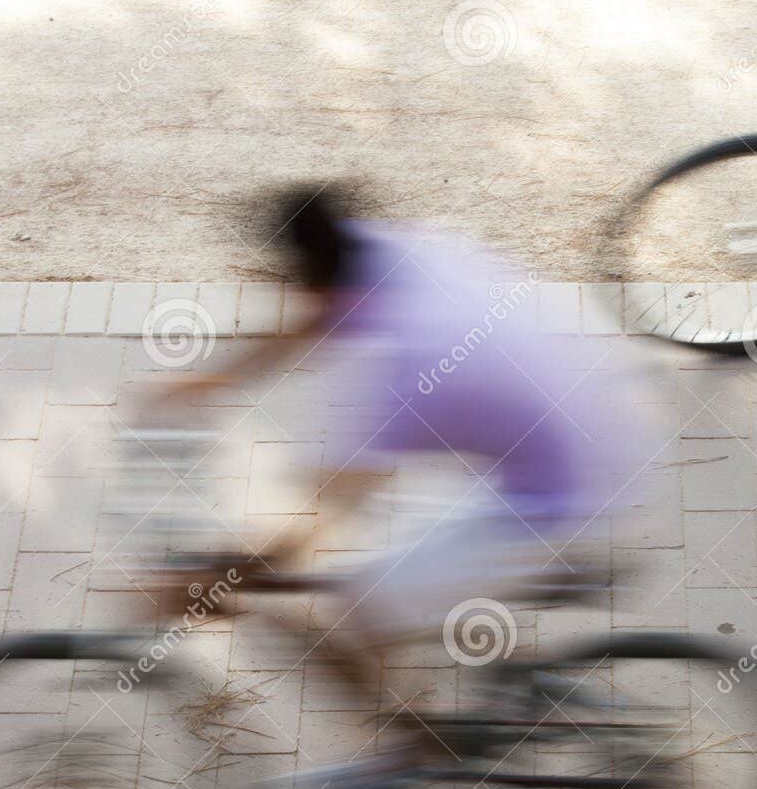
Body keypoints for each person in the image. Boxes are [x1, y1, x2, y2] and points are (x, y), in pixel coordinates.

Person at [160, 187, 642, 650]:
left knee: (356, 609)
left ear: (314, 280)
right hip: (603, 416)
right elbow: (321, 317)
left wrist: (222, 577)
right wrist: (214, 381)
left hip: (572, 500)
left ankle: (425, 711)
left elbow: (327, 513)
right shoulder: (378, 247)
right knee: (400, 535)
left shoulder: (407, 374)